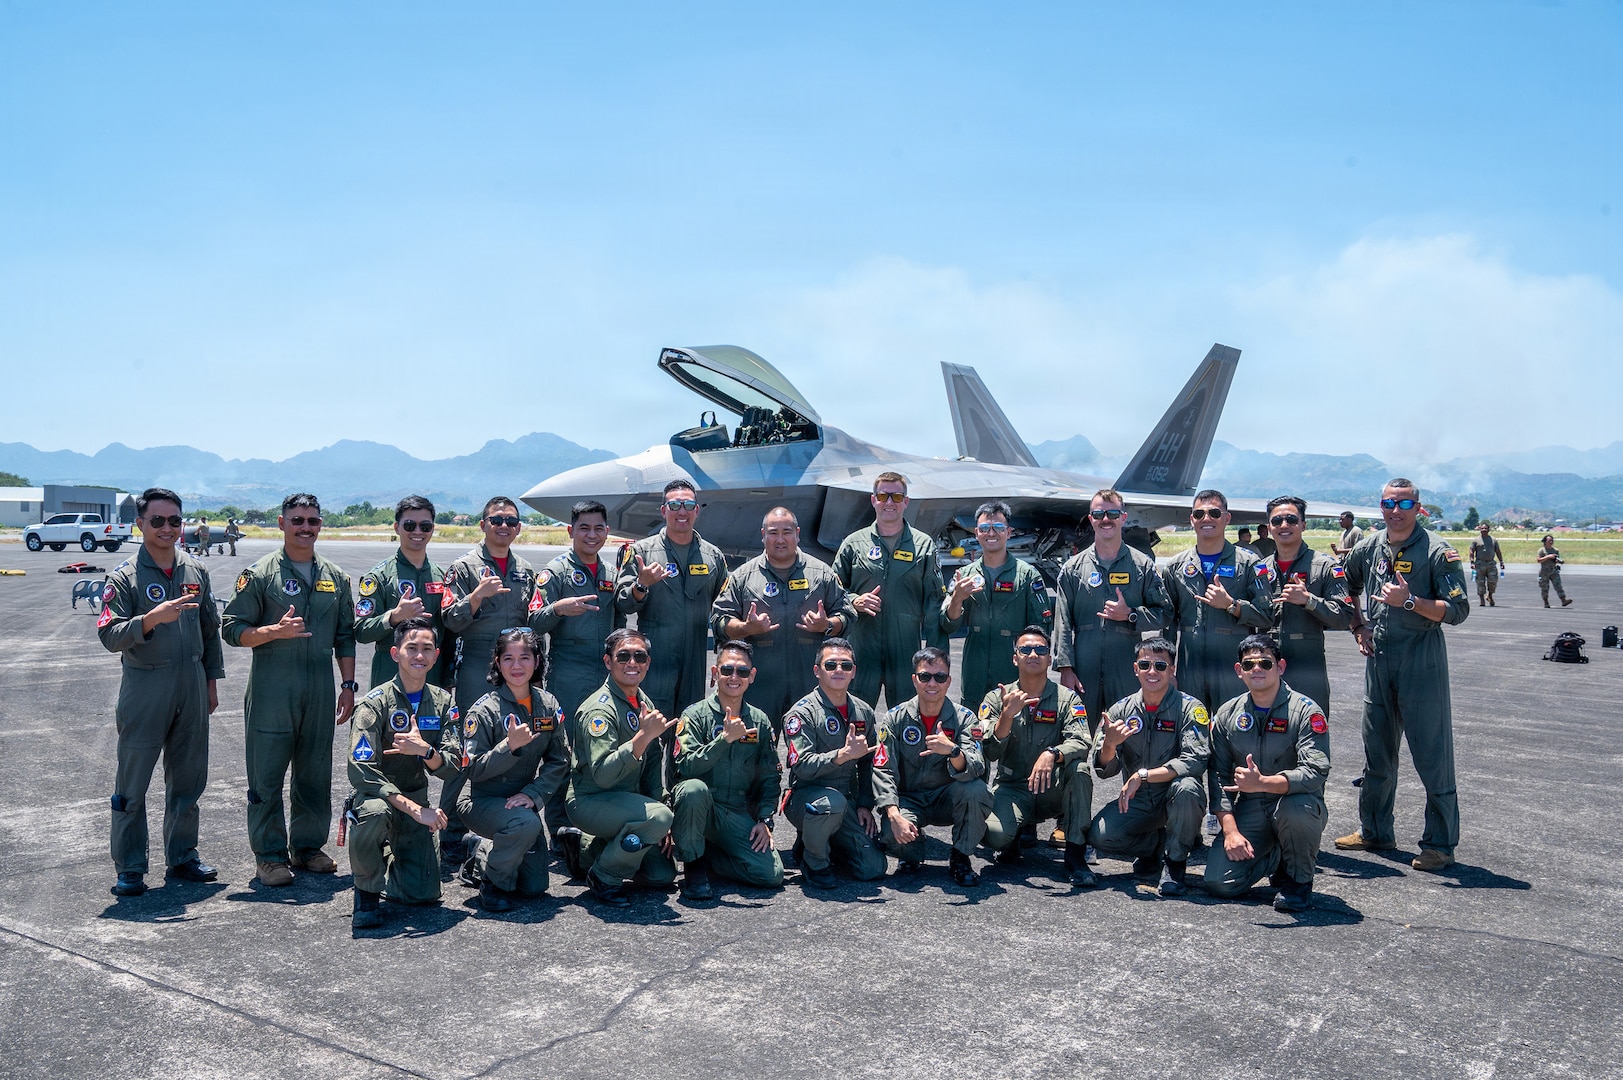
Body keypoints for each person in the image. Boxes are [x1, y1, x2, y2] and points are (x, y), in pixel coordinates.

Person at [1334, 478, 1470, 872]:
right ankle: (1375, 830)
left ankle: (1440, 844)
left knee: (1432, 755)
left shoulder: (1438, 552)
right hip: (1379, 659)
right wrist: (1357, 625)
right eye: (1388, 503)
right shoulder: (1370, 546)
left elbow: (1457, 611)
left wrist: (1409, 600)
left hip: (1421, 659)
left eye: (1404, 503)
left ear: (1418, 507)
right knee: (1377, 752)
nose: (1395, 510)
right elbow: (1345, 581)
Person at [222, 494, 357, 887]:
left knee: (315, 773)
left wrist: (348, 686)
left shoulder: (335, 576)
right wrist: (272, 632)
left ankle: (308, 847)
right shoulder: (260, 574)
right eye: (297, 520)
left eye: (313, 521)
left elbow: (345, 636)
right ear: (282, 523)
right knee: (266, 776)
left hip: (319, 688)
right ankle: (268, 856)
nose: (305, 527)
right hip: (271, 691)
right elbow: (231, 629)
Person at [98, 487, 224, 897]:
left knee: (189, 778)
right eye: (157, 521)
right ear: (140, 524)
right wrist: (149, 620)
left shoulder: (195, 570)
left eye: (174, 520)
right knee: (132, 783)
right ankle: (130, 866)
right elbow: (109, 634)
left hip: (190, 684)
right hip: (146, 686)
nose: (167, 528)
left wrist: (210, 680)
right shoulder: (124, 577)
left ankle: (183, 855)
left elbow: (210, 629)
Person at [1160, 489, 1273, 832]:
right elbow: (1168, 622)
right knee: (1190, 739)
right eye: (1199, 514)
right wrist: (1170, 670)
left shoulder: (1250, 563)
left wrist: (1233, 606)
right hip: (1191, 670)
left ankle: (1227, 815)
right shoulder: (1177, 565)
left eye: (1213, 513)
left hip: (1234, 671)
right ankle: (1189, 817)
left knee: (1232, 742)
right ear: (1191, 520)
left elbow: (1268, 615)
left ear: (1227, 518)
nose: (1206, 519)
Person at [440, 496, 546, 857]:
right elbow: (450, 620)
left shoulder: (525, 570)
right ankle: (452, 831)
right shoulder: (464, 567)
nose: (504, 526)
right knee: (468, 750)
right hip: (476, 667)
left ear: (518, 527)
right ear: (482, 524)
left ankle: (500, 819)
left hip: (515, 667)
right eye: (496, 519)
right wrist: (475, 596)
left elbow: (533, 623)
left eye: (511, 521)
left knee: (514, 747)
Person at [345, 617, 462, 929]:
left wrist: (425, 750)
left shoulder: (443, 702)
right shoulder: (375, 704)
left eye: (427, 649)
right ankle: (366, 892)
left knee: (423, 895)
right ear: (395, 653)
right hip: (380, 799)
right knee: (372, 814)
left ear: (436, 655)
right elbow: (362, 772)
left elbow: (452, 766)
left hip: (416, 802)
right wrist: (416, 810)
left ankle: (394, 861)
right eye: (411, 648)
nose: (419, 656)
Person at [1204, 635, 1331, 913]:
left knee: (1296, 809)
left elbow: (1315, 772)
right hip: (1251, 807)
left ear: (1280, 667)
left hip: (1294, 803)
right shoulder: (1228, 714)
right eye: (1249, 665)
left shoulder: (1306, 712)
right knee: (1219, 883)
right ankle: (1276, 856)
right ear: (1239, 672)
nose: (1257, 669)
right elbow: (1218, 776)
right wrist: (1231, 831)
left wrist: (1264, 782)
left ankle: (1298, 882)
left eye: (1265, 663)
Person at [711, 507, 855, 736]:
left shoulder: (821, 574)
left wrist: (826, 625)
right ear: (763, 535)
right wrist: (746, 628)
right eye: (773, 533)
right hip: (759, 686)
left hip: (810, 683)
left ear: (797, 533)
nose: (780, 540)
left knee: (814, 749)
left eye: (786, 532)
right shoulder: (743, 577)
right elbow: (719, 620)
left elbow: (847, 615)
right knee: (753, 750)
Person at [458, 628, 571, 913]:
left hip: (522, 801)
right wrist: (508, 747)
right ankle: (492, 884)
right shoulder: (484, 711)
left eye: (524, 657)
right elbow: (471, 769)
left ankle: (481, 850)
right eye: (508, 658)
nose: (517, 666)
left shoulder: (548, 704)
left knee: (534, 888)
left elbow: (560, 760)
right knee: (526, 824)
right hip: (480, 800)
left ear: (536, 660)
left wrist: (534, 795)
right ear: (497, 662)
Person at [1084, 637, 1208, 898]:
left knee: (1187, 787)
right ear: (1135, 668)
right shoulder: (1120, 710)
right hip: (1138, 801)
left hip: (1173, 797)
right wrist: (1109, 744)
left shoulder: (1191, 708)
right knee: (1100, 835)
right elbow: (1103, 769)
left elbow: (1194, 760)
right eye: (1145, 664)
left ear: (1172, 669)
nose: (1152, 672)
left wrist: (1143, 775)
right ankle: (1155, 848)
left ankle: (1175, 865)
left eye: (1160, 666)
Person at [565, 629, 677, 907]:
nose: (632, 663)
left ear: (648, 663)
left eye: (640, 657)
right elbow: (602, 775)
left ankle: (585, 853)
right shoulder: (599, 711)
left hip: (625, 800)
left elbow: (652, 765)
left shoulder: (642, 702)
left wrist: (660, 806)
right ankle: (603, 877)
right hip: (591, 800)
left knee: (661, 875)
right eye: (623, 656)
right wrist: (642, 737)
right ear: (608, 661)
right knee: (659, 819)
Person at [977, 625, 1096, 887]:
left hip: (1050, 788)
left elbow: (1081, 741)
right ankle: (1014, 835)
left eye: (1040, 649)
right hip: (1012, 787)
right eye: (1025, 649)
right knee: (993, 837)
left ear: (1049, 659)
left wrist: (1053, 753)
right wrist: (1007, 716)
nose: (1033, 654)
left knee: (1079, 771)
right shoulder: (997, 698)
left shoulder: (1067, 699)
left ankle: (1075, 855)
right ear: (1015, 657)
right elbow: (989, 750)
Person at [669, 640, 785, 899]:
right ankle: (694, 866)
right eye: (727, 670)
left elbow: (770, 776)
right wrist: (724, 740)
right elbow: (686, 767)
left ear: (752, 676)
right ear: (714, 673)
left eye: (742, 671)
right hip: (700, 809)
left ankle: (712, 857)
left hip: (735, 812)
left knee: (771, 875)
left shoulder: (759, 721)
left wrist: (765, 820)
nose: (734, 677)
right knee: (693, 789)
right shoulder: (694, 715)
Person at [1053, 489, 1174, 732]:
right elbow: (1062, 622)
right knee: (1075, 736)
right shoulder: (1073, 569)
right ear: (1090, 519)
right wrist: (1066, 668)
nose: (1105, 519)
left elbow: (1165, 613)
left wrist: (1130, 614)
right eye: (1098, 514)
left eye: (1112, 513)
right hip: (1083, 668)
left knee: (1131, 738)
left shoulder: (1142, 566)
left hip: (1127, 666)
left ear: (1123, 517)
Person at [873, 647, 990, 887]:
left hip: (947, 798)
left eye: (939, 677)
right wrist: (893, 814)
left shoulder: (965, 718)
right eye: (925, 676)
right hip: (910, 799)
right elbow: (883, 769)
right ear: (915, 680)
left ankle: (960, 856)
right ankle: (913, 850)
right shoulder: (895, 718)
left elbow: (977, 765)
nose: (932, 683)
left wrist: (953, 751)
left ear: (949, 681)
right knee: (890, 832)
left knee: (976, 791)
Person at [781, 637, 892, 889]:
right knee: (832, 804)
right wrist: (841, 755)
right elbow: (803, 765)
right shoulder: (801, 714)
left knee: (873, 869)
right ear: (817, 671)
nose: (839, 670)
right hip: (807, 798)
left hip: (846, 802)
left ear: (854, 672)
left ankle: (821, 843)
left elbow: (868, 764)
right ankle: (814, 862)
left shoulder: (863, 711)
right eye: (831, 665)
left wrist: (865, 804)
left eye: (846, 665)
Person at [614, 479, 728, 719]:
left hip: (695, 663)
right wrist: (641, 584)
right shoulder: (641, 552)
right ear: (663, 510)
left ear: (697, 510)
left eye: (688, 504)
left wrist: (724, 656)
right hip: (655, 662)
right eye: (674, 505)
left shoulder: (713, 556)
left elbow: (724, 609)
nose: (682, 511)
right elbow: (623, 602)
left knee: (690, 731)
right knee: (652, 732)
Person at [832, 472, 947, 709]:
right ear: (873, 500)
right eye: (883, 496)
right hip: (862, 649)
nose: (889, 503)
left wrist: (935, 656)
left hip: (905, 652)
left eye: (896, 496)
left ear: (906, 502)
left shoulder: (924, 546)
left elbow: (934, 605)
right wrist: (854, 601)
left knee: (908, 721)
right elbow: (832, 591)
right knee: (855, 718)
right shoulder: (854, 543)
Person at [939, 500, 1051, 710]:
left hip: (1013, 667)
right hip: (975, 666)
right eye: (985, 528)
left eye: (998, 528)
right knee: (974, 726)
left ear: (1008, 532)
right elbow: (948, 624)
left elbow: (1041, 628)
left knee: (1015, 726)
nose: (991, 533)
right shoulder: (964, 576)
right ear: (976, 533)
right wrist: (958, 598)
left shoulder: (1027, 575)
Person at [1260, 496, 1354, 720]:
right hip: (1265, 666)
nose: (1284, 525)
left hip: (1308, 667)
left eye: (1291, 520)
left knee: (1311, 731)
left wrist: (1309, 601)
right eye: (1277, 521)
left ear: (1303, 524)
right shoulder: (1259, 569)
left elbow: (1344, 617)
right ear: (1269, 527)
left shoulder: (1325, 567)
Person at [353, 496, 452, 691]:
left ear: (432, 529)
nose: (417, 532)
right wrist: (394, 617)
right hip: (389, 679)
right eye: (409, 525)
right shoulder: (378, 577)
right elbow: (361, 631)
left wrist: (448, 680)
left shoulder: (443, 577)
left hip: (432, 681)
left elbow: (449, 635)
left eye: (425, 526)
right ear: (397, 527)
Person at [1469, 522, 1505, 607]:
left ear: (1488, 530)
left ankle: (1490, 596)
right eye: (1482, 529)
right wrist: (1472, 562)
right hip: (1480, 564)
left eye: (1486, 529)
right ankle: (1481, 599)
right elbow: (1471, 551)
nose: (1484, 530)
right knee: (1480, 582)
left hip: (1491, 564)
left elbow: (1498, 551)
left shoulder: (1493, 540)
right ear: (1480, 530)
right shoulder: (1476, 540)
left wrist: (1501, 562)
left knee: (1493, 581)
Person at [1537, 534, 1573, 607]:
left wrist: (1558, 562)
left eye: (1552, 540)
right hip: (1544, 572)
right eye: (1549, 540)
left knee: (1558, 586)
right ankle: (1546, 603)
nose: (1551, 542)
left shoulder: (1555, 550)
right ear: (1545, 541)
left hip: (1554, 571)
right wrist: (1548, 556)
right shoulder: (1542, 550)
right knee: (1545, 588)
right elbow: (1538, 560)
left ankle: (1563, 600)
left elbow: (1556, 560)